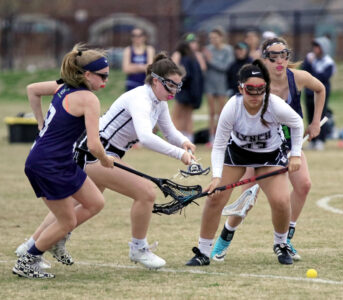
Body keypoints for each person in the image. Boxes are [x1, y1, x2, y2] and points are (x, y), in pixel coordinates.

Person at [15, 52, 196, 270]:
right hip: (97, 152)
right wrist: (179, 155)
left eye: (178, 86)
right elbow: (146, 137)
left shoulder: (159, 101)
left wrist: (184, 142)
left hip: (105, 152)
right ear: (156, 81)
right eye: (170, 86)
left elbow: (169, 131)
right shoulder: (141, 98)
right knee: (145, 192)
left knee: (77, 205)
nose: (174, 91)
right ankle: (138, 249)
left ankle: (32, 245)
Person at [211, 37, 326, 262]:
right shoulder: (259, 81)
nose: (280, 61)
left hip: (289, 145)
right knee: (249, 194)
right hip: (260, 147)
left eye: (284, 55)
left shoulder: (298, 78)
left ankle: (286, 239)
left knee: (304, 184)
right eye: (274, 57)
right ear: (265, 59)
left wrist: (314, 122)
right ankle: (225, 236)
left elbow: (320, 89)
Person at [186, 60, 304, 266]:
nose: (256, 95)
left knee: (281, 201)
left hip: (269, 156)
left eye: (261, 90)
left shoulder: (274, 104)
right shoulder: (233, 107)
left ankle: (281, 243)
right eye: (250, 89)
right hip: (238, 154)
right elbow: (220, 144)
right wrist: (216, 177)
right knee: (215, 198)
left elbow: (297, 123)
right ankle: (203, 251)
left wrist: (295, 155)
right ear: (241, 88)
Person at [13, 44, 115, 279]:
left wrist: (41, 124)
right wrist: (106, 160)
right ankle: (27, 261)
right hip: (48, 164)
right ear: (87, 74)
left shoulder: (62, 87)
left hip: (55, 160)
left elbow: (32, 90)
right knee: (67, 220)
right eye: (103, 76)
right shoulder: (89, 99)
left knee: (95, 202)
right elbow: (93, 145)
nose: (106, 82)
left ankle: (55, 240)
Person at [303, 36, 336, 150]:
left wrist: (312, 70)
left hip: (321, 93)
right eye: (314, 46)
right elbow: (304, 74)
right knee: (310, 115)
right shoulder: (310, 59)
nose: (315, 49)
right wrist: (309, 63)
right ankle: (312, 140)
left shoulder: (329, 62)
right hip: (308, 92)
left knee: (320, 116)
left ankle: (321, 139)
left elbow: (323, 77)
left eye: (318, 46)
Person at [202, 26, 234, 144]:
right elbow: (204, 66)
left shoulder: (228, 50)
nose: (213, 40)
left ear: (221, 38)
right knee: (211, 112)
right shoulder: (208, 49)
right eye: (211, 38)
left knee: (222, 111)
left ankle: (222, 136)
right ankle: (211, 137)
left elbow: (226, 67)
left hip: (222, 84)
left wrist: (211, 61)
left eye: (215, 37)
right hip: (209, 83)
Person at [171, 33, 204, 142]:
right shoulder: (181, 55)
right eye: (191, 42)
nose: (193, 45)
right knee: (184, 115)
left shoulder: (193, 56)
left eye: (195, 42)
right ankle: (186, 138)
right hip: (190, 89)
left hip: (185, 89)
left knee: (179, 115)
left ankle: (178, 139)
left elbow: (176, 73)